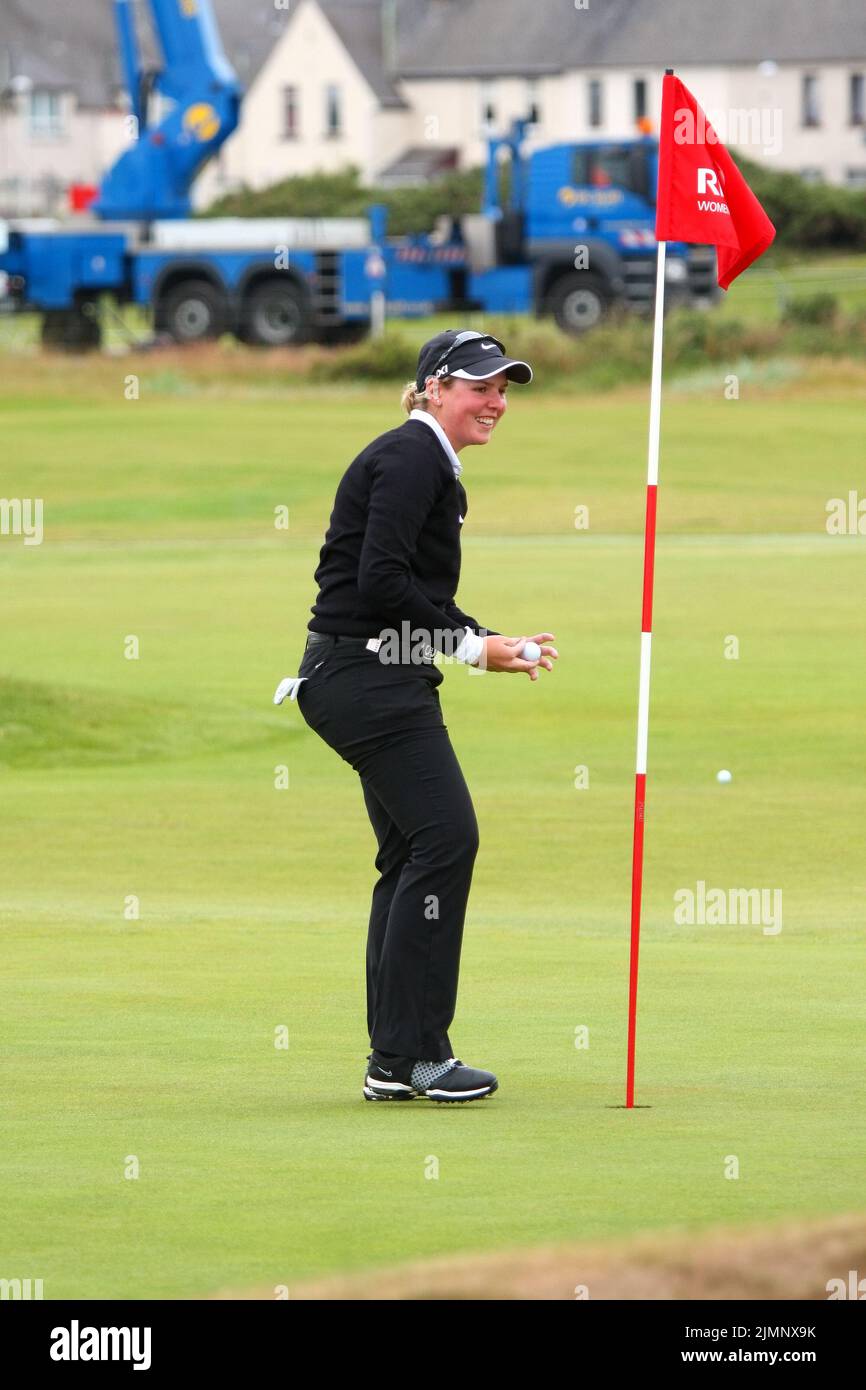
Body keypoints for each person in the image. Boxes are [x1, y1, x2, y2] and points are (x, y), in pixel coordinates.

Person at [286, 328, 558, 1103]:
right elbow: (378, 581)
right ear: (433, 388)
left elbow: (413, 592)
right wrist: (472, 650)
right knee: (446, 838)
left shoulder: (424, 461)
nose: (496, 402)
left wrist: (489, 639)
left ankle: (394, 1059)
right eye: (481, 387)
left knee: (412, 854)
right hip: (366, 678)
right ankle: (420, 1057)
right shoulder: (412, 457)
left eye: (505, 389)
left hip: (366, 672)